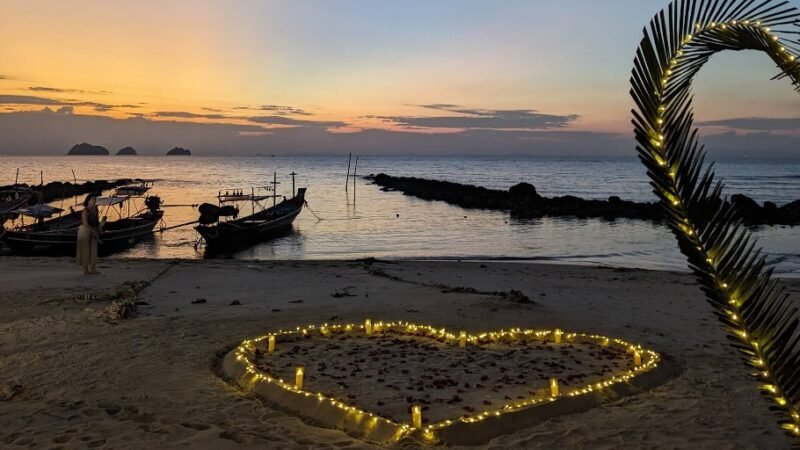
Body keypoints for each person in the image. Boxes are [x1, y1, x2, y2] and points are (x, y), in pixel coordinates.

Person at [77, 193, 101, 274]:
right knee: (85, 250)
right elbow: (85, 223)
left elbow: (97, 221)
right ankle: (86, 270)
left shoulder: (96, 209)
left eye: (95, 200)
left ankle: (93, 269)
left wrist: (98, 229)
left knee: (93, 250)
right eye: (92, 200)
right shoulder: (85, 210)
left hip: (94, 229)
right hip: (85, 231)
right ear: (88, 201)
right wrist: (93, 231)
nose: (94, 201)